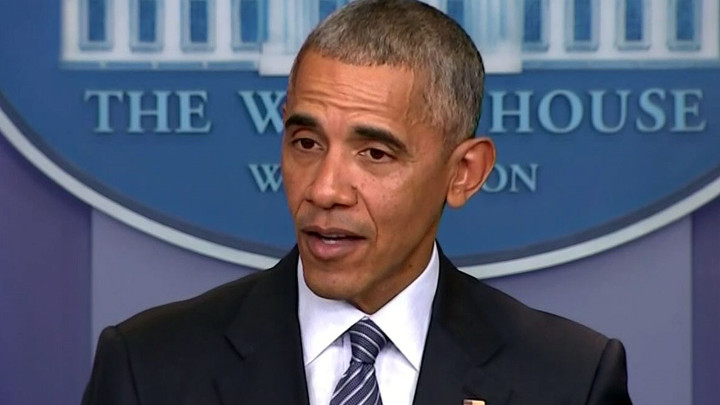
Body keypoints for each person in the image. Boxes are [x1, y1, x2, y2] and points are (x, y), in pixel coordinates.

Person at [82, 1, 632, 404]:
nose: (323, 189)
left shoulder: (569, 379)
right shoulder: (147, 367)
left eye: (374, 153)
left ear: (464, 173)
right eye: (306, 143)